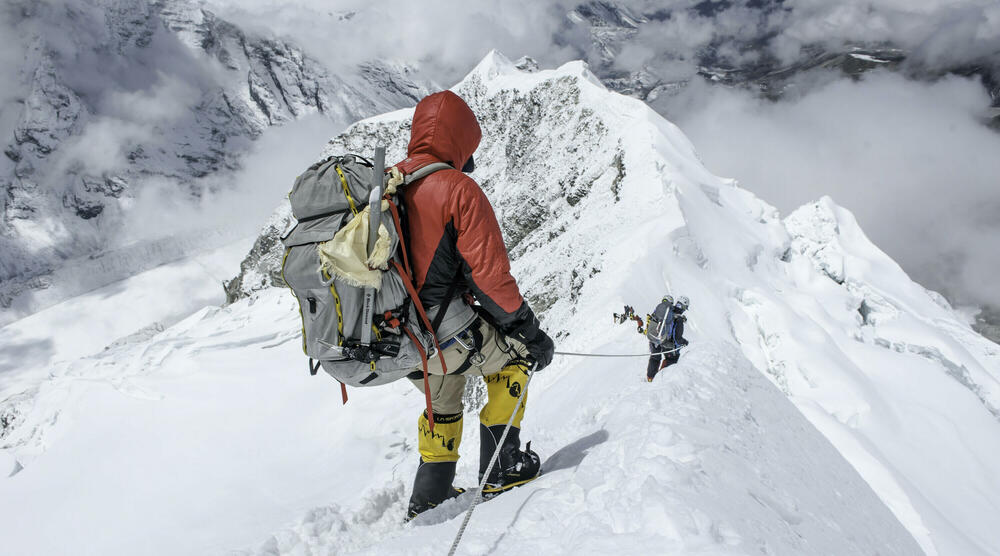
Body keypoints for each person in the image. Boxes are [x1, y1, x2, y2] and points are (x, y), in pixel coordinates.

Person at [394, 90, 555, 520]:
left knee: (443, 392)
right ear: (461, 140)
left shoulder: (387, 185)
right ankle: (502, 469)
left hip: (396, 341)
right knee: (514, 360)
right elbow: (491, 279)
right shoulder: (457, 189)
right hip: (441, 334)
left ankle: (429, 495)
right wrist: (529, 332)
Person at [645, 295, 689, 382]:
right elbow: (677, 339)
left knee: (655, 358)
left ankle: (650, 378)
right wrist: (685, 342)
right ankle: (661, 379)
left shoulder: (668, 311)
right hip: (666, 344)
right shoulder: (679, 319)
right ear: (684, 307)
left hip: (655, 339)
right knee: (672, 359)